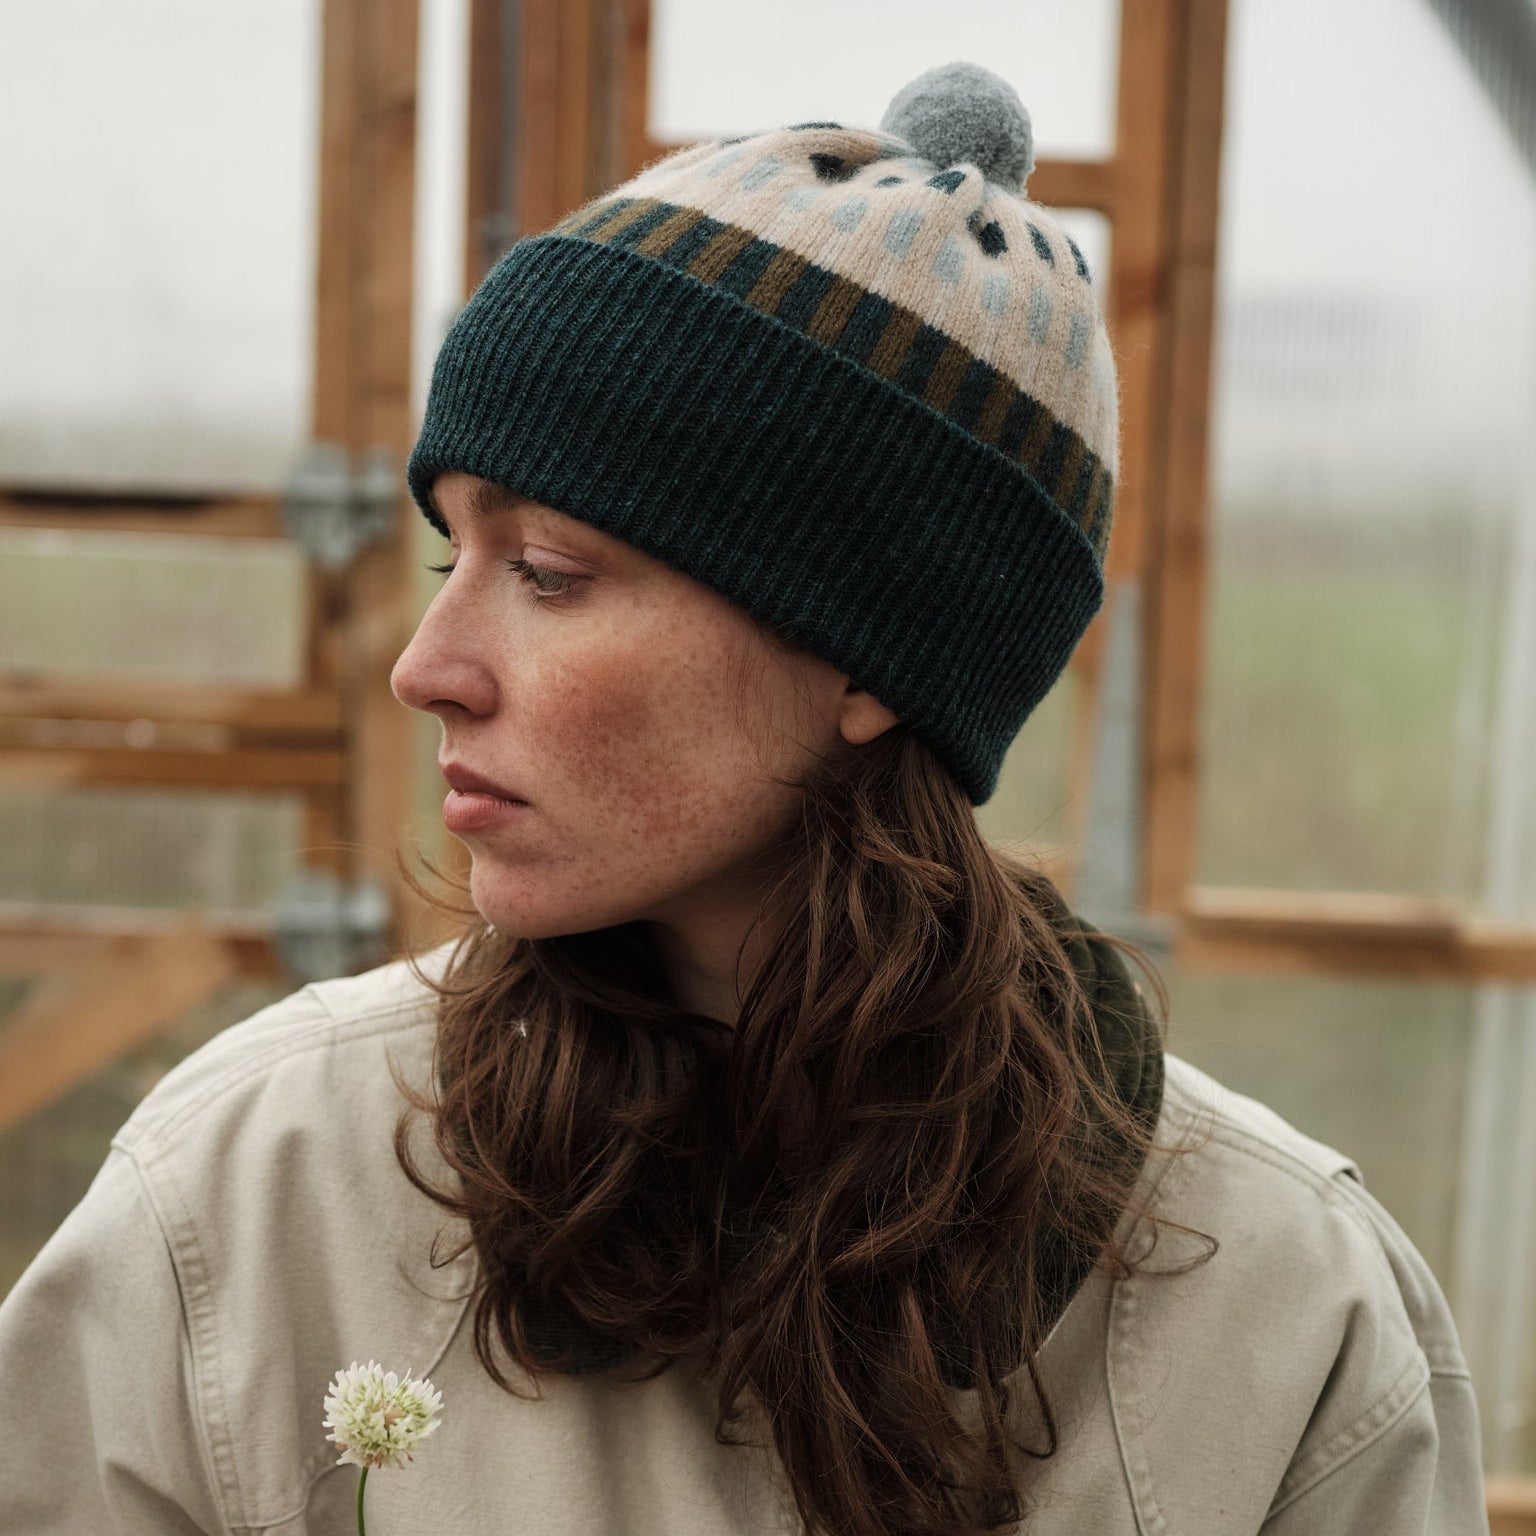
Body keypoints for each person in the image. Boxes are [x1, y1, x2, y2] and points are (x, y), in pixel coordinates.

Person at [0, 60, 1488, 1536]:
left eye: (551, 573)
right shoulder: (253, 1204)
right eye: (454, 557)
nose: (427, 666)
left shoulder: (1292, 1320)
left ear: (868, 660)